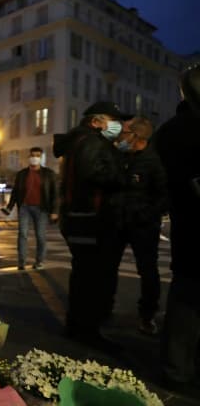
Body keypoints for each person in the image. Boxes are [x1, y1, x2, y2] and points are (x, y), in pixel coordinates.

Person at [52, 101, 128, 350]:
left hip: (81, 218)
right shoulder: (92, 143)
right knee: (92, 277)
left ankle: (79, 325)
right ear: (96, 121)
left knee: (84, 275)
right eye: (112, 119)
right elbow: (94, 173)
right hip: (92, 218)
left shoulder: (79, 142)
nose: (118, 125)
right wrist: (122, 175)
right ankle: (86, 329)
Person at [154, 65, 200, 388]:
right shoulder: (187, 129)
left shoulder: (169, 131)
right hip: (193, 226)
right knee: (187, 304)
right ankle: (178, 370)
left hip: (188, 231)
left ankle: (177, 369)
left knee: (185, 299)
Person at [101, 117, 167, 335]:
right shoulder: (120, 157)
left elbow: (163, 196)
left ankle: (147, 315)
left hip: (143, 226)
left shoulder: (154, 161)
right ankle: (104, 310)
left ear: (136, 136)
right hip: (117, 223)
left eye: (125, 132)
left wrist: (146, 214)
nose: (120, 135)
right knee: (108, 268)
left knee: (148, 271)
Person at [5, 147, 59, 270]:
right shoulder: (22, 174)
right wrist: (9, 207)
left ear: (41, 158)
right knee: (22, 234)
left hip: (41, 208)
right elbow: (15, 192)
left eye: (38, 155)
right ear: (29, 157)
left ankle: (39, 261)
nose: (35, 157)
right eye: (33, 155)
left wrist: (55, 211)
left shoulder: (49, 174)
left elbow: (55, 193)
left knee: (40, 236)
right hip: (24, 207)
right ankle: (21, 262)